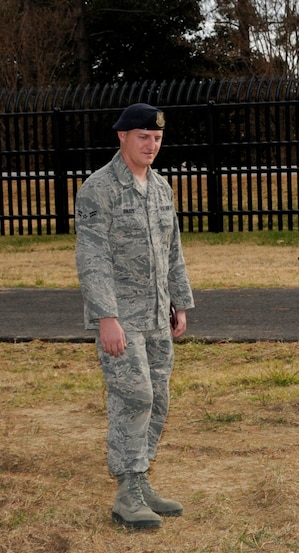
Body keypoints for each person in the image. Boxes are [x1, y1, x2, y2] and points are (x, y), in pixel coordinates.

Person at [75, 103, 194, 530]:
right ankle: (126, 492)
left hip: (157, 315)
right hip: (121, 319)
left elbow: (173, 249)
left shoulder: (161, 187)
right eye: (143, 136)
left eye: (157, 138)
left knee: (158, 397)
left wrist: (180, 302)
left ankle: (141, 482)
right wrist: (106, 316)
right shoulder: (98, 189)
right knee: (134, 396)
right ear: (121, 136)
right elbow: (92, 258)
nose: (151, 144)